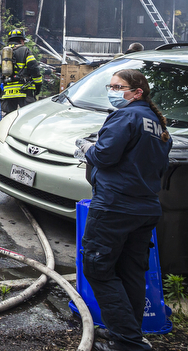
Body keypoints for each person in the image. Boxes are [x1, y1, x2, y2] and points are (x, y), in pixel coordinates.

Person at [75, 70, 171, 351]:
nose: (113, 90)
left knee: (98, 270)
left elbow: (104, 155)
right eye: (111, 85)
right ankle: (129, 337)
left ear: (137, 92)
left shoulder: (125, 117)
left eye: (119, 86)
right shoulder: (157, 124)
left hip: (114, 207)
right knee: (130, 272)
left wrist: (85, 147)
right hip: (145, 208)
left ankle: (128, 342)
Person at [0, 28, 42, 114]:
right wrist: (38, 86)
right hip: (25, 91)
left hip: (8, 92)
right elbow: (34, 69)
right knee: (27, 117)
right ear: (21, 40)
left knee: (9, 119)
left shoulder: (1, 54)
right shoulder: (25, 51)